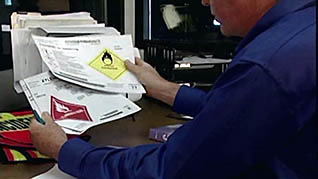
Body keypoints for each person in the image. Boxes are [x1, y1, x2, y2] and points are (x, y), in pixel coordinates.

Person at [29, 0, 316, 178]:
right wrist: (163, 89)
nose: (205, 1)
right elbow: (239, 116)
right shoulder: (303, 27)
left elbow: (170, 169)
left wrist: (65, 149)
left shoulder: (267, 65)